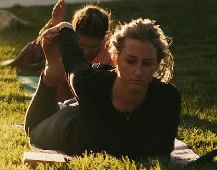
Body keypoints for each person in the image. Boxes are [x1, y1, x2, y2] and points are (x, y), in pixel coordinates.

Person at [24, 13, 180, 159]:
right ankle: (51, 76)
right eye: (130, 61)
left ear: (157, 64)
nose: (138, 72)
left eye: (147, 63)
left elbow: (159, 153)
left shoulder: (168, 97)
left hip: (87, 111)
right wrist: (65, 27)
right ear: (115, 57)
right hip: (68, 127)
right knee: (34, 129)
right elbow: (74, 59)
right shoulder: (91, 84)